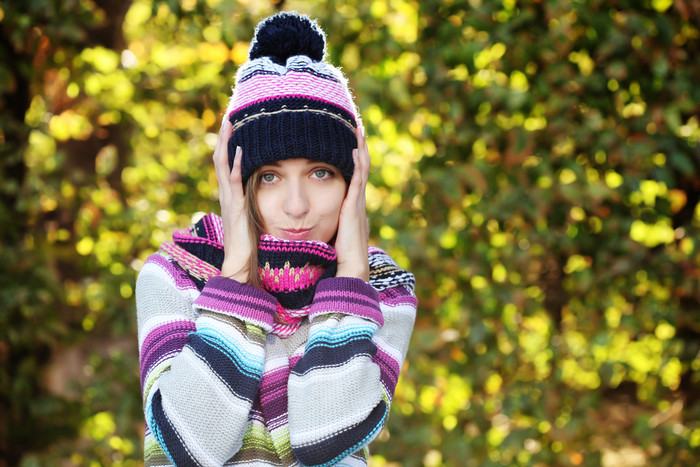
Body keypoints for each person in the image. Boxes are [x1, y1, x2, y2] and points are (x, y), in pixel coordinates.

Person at [135, 11, 417, 467]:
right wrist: (237, 278)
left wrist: (349, 280)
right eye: (268, 177)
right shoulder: (174, 276)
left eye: (321, 173)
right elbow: (191, 447)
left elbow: (324, 438)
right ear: (236, 182)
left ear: (354, 180)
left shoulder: (383, 288)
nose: (296, 206)